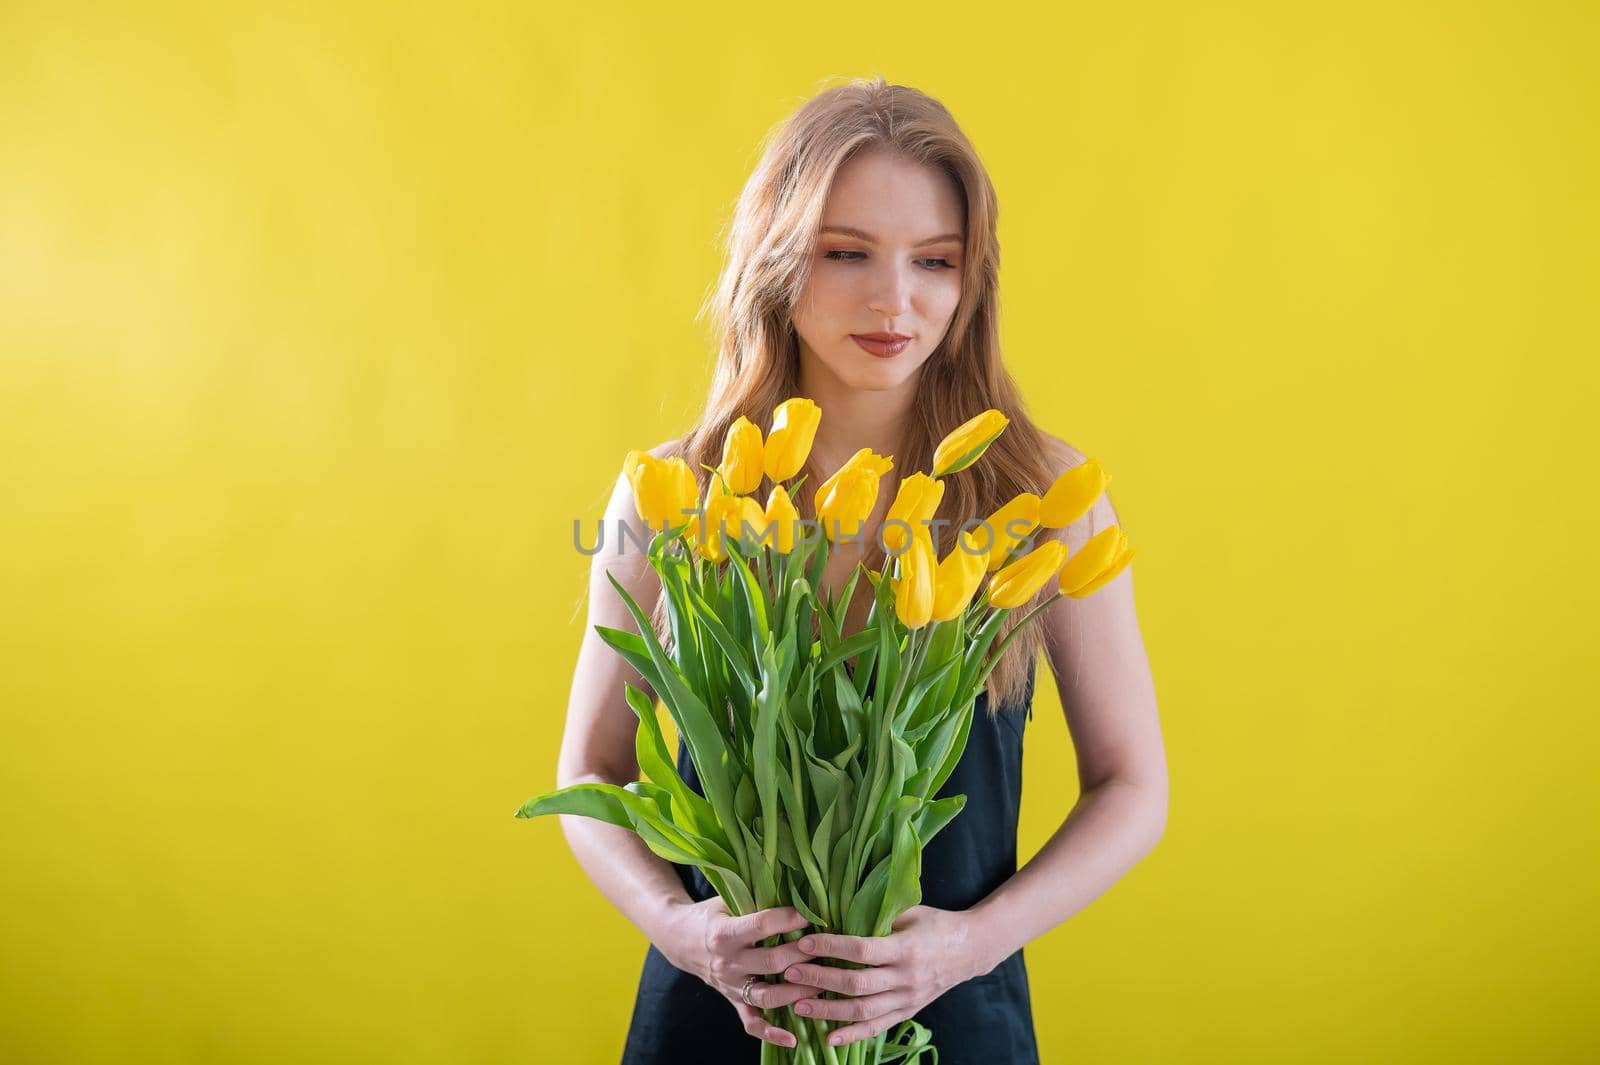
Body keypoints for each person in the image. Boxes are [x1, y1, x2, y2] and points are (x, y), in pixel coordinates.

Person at [555, 75, 1168, 1064]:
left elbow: (1133, 786)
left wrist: (967, 946)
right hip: (719, 1016)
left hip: (951, 1015)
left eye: (935, 261)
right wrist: (689, 936)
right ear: (777, 260)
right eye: (847, 254)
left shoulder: (1036, 497)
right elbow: (589, 773)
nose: (895, 300)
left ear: (971, 281)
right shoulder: (680, 492)